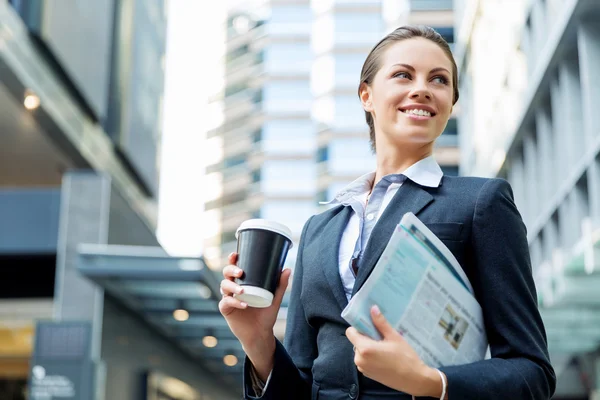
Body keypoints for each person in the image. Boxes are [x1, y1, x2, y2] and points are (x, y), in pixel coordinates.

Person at [219, 25, 556, 400]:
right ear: (367, 95)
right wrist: (258, 339)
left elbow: (532, 371)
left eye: (439, 80)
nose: (422, 88)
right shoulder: (319, 228)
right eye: (403, 74)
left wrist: (430, 382)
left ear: (450, 103)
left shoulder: (481, 202)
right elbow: (301, 384)